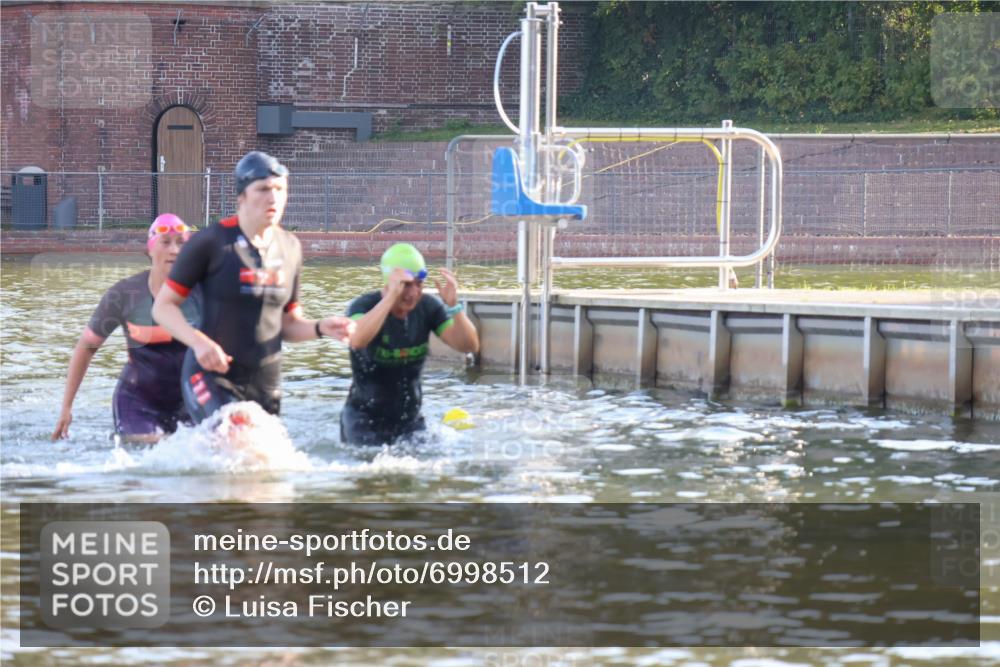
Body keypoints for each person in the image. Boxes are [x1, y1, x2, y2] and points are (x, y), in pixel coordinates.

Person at [152, 150, 353, 422]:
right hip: (212, 374)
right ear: (242, 196)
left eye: (280, 189)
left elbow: (287, 324)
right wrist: (199, 344)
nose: (273, 198)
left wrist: (320, 328)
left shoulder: (290, 247)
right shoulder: (212, 242)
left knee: (263, 460)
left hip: (264, 382)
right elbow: (163, 308)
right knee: (237, 438)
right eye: (263, 189)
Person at [52, 214, 200, 443]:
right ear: (150, 249)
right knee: (150, 446)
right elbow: (86, 348)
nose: (174, 250)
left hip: (190, 400)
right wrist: (66, 407)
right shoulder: (125, 294)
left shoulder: (204, 293)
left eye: (181, 242)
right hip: (138, 402)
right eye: (166, 242)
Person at [341, 243, 479, 445]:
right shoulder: (363, 306)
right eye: (406, 285)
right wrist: (390, 298)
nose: (413, 292)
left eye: (419, 284)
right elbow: (357, 339)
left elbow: (469, 346)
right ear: (389, 282)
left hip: (409, 421)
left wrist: (453, 306)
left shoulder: (428, 307)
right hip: (364, 421)